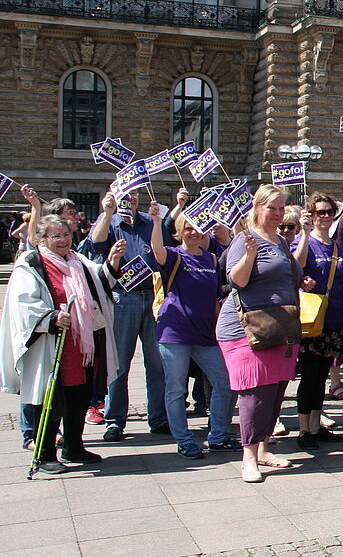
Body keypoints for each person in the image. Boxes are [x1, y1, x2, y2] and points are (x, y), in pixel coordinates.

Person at [0, 215, 123, 474]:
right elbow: (24, 303)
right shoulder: (31, 263)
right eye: (56, 236)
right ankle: (44, 454)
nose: (63, 240)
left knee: (79, 394)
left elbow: (99, 280)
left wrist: (111, 262)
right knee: (48, 399)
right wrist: (52, 317)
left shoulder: (77, 260)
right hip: (50, 343)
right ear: (42, 239)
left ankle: (74, 446)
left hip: (80, 346)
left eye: (66, 235)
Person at [218, 185, 314, 483]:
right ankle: (248, 457)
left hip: (280, 327)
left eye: (282, 208)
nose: (277, 213)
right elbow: (237, 281)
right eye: (272, 207)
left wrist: (303, 278)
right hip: (247, 329)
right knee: (255, 394)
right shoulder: (245, 240)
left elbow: (292, 272)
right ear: (258, 208)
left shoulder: (281, 241)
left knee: (274, 392)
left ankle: (263, 449)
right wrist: (248, 255)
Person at [81, 190, 174, 442]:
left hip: (153, 297)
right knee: (119, 363)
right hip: (122, 298)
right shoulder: (109, 222)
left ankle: (159, 418)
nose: (130, 198)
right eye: (124, 193)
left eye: (134, 193)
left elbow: (164, 250)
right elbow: (94, 245)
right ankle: (114, 420)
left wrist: (157, 221)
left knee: (157, 363)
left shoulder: (148, 220)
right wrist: (107, 212)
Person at [149, 204, 237, 459]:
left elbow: (215, 298)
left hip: (206, 334)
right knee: (176, 389)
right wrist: (156, 222)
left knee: (224, 383)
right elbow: (156, 250)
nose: (194, 232)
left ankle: (218, 435)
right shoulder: (174, 255)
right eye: (188, 228)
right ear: (179, 232)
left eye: (198, 228)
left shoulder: (210, 259)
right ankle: (184, 439)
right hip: (175, 333)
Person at [291, 192, 343, 450]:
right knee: (310, 377)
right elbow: (297, 265)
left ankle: (316, 426)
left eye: (329, 212)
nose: (325, 216)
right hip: (311, 320)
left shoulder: (337, 246)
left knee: (323, 375)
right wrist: (304, 233)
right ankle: (304, 429)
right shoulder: (305, 240)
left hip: (334, 318)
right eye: (319, 212)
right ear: (311, 215)